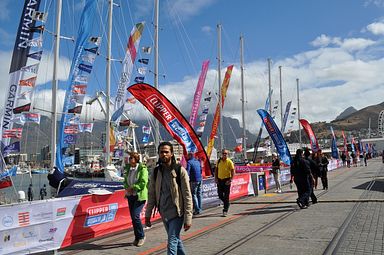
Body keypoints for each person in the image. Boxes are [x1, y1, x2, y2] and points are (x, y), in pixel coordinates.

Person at [145, 141, 193, 255]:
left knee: (171, 243)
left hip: (177, 213)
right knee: (176, 240)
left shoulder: (180, 170)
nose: (164, 154)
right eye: (161, 152)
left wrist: (188, 218)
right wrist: (147, 215)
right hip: (164, 212)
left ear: (171, 154)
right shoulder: (156, 172)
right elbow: (151, 194)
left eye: (166, 152)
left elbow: (187, 195)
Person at [123, 152, 148, 247]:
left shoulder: (142, 169)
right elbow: (125, 180)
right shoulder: (128, 169)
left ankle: (141, 236)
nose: (130, 159)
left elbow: (143, 182)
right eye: (130, 158)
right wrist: (127, 188)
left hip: (139, 196)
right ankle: (137, 237)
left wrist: (133, 187)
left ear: (136, 159)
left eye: (132, 158)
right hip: (131, 195)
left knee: (136, 216)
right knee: (133, 218)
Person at [215, 149, 235, 217]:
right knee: (220, 195)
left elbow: (233, 171)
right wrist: (216, 178)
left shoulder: (229, 162)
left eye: (226, 153)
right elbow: (216, 170)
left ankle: (225, 210)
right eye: (223, 153)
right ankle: (227, 203)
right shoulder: (218, 161)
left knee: (226, 196)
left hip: (227, 180)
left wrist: (230, 180)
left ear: (227, 154)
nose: (224, 154)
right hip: (220, 180)